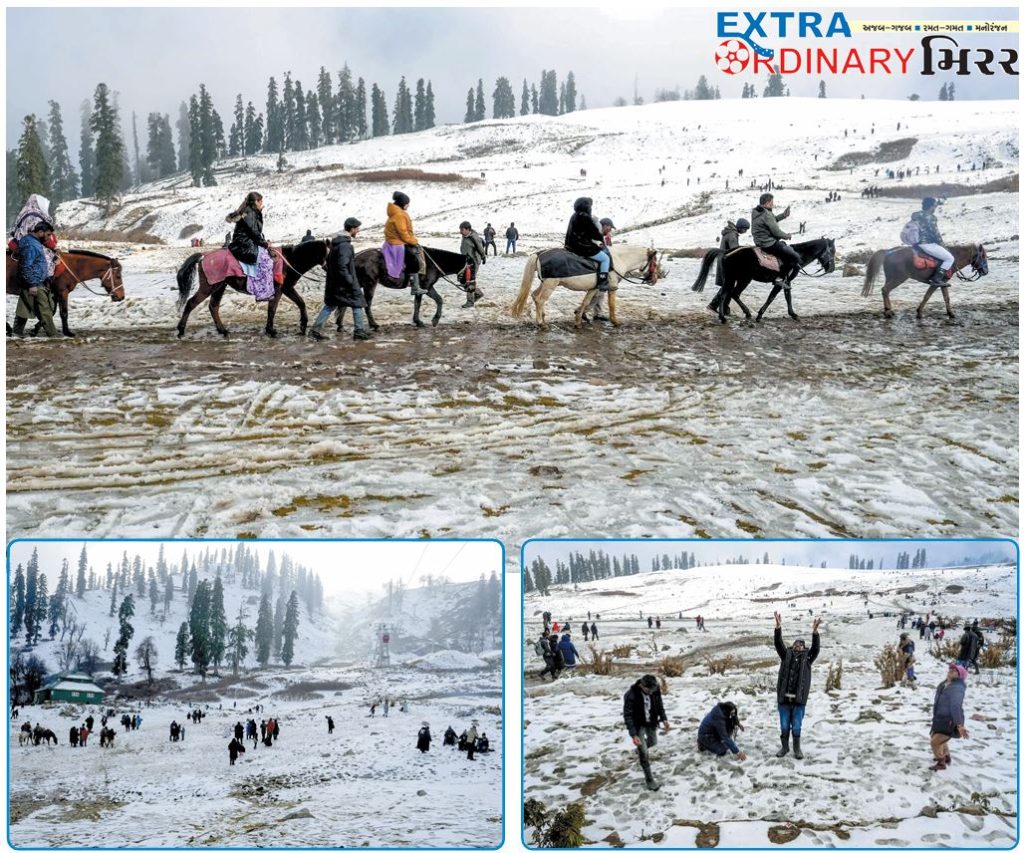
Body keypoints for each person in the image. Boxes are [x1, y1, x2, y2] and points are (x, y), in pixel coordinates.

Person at [311, 217, 370, 341]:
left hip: (335, 283)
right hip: (344, 283)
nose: (358, 231)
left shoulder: (337, 244)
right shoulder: (345, 246)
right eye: (357, 228)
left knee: (330, 305)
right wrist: (350, 281)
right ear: (352, 229)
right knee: (357, 303)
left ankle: (315, 330)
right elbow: (342, 266)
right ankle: (359, 331)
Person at [773, 611, 821, 760]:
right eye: (796, 644)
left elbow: (816, 649)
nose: (798, 646)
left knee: (797, 726)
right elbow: (778, 643)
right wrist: (778, 627)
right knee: (784, 725)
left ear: (804, 648)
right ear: (792, 646)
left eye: (801, 644)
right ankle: (784, 747)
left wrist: (815, 632)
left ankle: (796, 748)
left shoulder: (808, 659)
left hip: (799, 700)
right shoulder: (785, 655)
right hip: (784, 699)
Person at [11, 221, 59, 338]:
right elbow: (26, 266)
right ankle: (53, 335)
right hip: (35, 282)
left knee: (24, 307)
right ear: (40, 232)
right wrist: (32, 284)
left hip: (32, 281)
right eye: (48, 235)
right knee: (45, 309)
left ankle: (16, 332)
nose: (49, 238)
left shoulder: (31, 241)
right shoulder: (31, 245)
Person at [623, 674, 670, 791]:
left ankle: (640, 749)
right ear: (641, 686)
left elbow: (659, 704)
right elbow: (628, 716)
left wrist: (664, 719)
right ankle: (650, 780)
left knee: (653, 742)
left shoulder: (655, 689)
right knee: (644, 753)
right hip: (638, 724)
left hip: (651, 721)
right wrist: (634, 735)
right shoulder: (631, 695)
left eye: (653, 689)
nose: (651, 692)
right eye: (649, 690)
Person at [226, 191, 275, 301]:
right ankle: (262, 292)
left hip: (246, 242)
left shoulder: (250, 211)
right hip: (244, 245)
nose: (262, 203)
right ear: (255, 201)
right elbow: (254, 232)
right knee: (267, 262)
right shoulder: (250, 213)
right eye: (260, 201)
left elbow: (255, 231)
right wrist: (265, 244)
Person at [751, 193, 799, 286]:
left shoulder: (756, 211)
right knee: (793, 258)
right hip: (768, 243)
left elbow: (770, 221)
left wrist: (783, 215)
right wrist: (787, 236)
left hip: (759, 242)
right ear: (767, 203)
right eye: (772, 202)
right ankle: (779, 278)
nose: (773, 204)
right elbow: (776, 232)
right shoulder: (767, 214)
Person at [564, 198, 611, 291]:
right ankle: (602, 282)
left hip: (570, 245)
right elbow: (594, 233)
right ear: (587, 206)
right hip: (582, 247)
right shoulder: (585, 217)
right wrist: (601, 239)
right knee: (605, 258)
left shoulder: (574, 215)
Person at [384, 191, 425, 295]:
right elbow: (403, 233)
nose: (408, 205)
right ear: (403, 204)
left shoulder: (395, 213)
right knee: (414, 261)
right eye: (407, 203)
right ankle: (415, 287)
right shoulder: (399, 215)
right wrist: (414, 241)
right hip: (397, 243)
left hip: (392, 241)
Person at [930, 663, 968, 770]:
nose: (951, 670)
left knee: (935, 742)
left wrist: (959, 725)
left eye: (955, 670)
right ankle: (946, 756)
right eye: (951, 668)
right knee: (936, 736)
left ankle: (941, 762)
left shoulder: (957, 688)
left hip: (949, 720)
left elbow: (956, 706)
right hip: (940, 717)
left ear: (960, 676)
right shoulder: (945, 684)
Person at [709, 218, 750, 314]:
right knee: (728, 286)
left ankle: (721, 307)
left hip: (723, 260)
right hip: (726, 262)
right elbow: (734, 250)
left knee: (727, 285)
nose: (745, 231)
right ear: (741, 227)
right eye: (745, 229)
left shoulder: (730, 233)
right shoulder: (732, 235)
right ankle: (715, 306)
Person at [910, 197, 953, 286]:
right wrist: (943, 246)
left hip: (915, 243)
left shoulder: (915, 215)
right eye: (934, 206)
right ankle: (937, 279)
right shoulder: (931, 217)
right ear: (930, 206)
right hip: (927, 244)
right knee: (950, 258)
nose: (935, 208)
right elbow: (935, 233)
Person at [458, 221, 487, 308]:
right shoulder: (465, 235)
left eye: (462, 230)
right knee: (462, 279)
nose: (460, 232)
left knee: (470, 281)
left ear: (468, 229)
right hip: (466, 261)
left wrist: (483, 257)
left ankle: (470, 302)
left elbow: (480, 248)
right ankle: (478, 293)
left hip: (473, 262)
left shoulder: (474, 238)